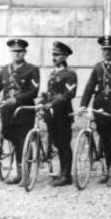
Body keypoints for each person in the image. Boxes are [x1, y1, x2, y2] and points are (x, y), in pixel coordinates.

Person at [0, 38, 40, 184]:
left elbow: (34, 92)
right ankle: (18, 172)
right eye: (14, 51)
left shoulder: (32, 70)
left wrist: (17, 99)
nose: (17, 54)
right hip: (7, 112)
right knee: (12, 139)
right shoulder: (5, 70)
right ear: (10, 52)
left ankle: (24, 175)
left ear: (24, 52)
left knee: (23, 141)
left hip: (24, 111)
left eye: (20, 51)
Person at [79, 36, 111, 186]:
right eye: (104, 49)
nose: (107, 52)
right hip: (101, 111)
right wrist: (83, 104)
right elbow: (90, 87)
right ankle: (108, 169)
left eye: (109, 49)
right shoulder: (98, 67)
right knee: (106, 142)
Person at [42, 42, 78, 186]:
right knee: (57, 143)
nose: (54, 57)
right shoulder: (53, 73)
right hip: (51, 114)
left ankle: (66, 175)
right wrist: (43, 102)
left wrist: (52, 103)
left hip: (63, 114)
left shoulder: (70, 74)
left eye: (57, 55)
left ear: (65, 56)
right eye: (53, 54)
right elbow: (50, 94)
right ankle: (62, 171)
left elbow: (69, 94)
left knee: (63, 144)